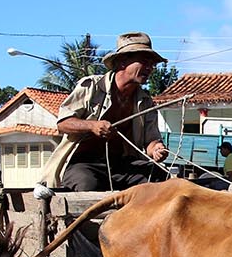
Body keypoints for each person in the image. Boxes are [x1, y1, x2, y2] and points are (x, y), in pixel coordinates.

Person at [39, 31, 171, 192]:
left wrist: (157, 149)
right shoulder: (91, 86)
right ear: (122, 62)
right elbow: (63, 124)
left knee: (159, 176)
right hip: (84, 163)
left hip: (123, 165)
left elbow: (151, 141)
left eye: (152, 64)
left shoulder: (145, 101)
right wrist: (92, 126)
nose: (150, 68)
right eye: (144, 62)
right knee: (87, 184)